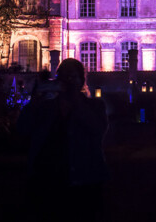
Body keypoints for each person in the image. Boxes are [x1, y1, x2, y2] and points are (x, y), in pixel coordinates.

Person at [17, 58, 108, 221]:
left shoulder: (95, 106)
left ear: (82, 81)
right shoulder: (45, 107)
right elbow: (23, 129)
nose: (68, 81)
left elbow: (97, 129)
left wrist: (75, 101)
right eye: (64, 77)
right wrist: (34, 101)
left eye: (73, 77)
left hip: (84, 182)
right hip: (48, 180)